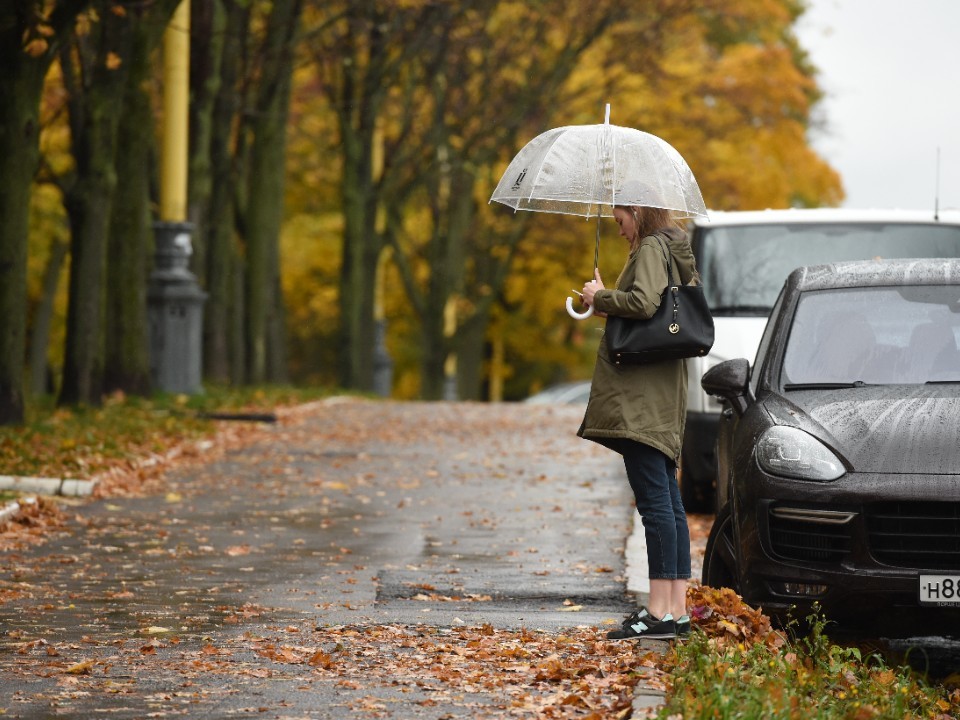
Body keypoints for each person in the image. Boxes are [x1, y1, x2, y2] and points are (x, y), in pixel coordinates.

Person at [578, 203, 698, 640]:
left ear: (637, 212)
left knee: (655, 506)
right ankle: (675, 610)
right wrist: (610, 302)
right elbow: (654, 308)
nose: (619, 230)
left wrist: (600, 298)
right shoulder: (673, 248)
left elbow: (644, 303)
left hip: (642, 399)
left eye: (620, 220)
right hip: (663, 394)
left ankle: (660, 613)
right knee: (670, 503)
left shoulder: (650, 248)